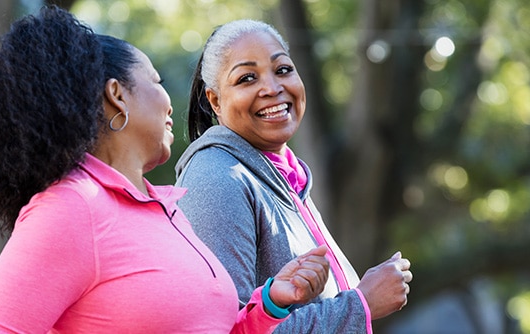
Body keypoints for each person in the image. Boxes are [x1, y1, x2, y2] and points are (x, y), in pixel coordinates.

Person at [0, 7, 331, 333]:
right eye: (155, 81)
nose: (170, 103)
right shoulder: (71, 208)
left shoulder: (164, 210)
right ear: (117, 95)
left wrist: (270, 304)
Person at [175, 19, 413, 333]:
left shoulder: (284, 177)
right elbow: (226, 328)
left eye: (283, 69)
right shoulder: (217, 177)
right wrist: (361, 303)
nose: (273, 88)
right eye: (247, 78)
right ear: (215, 100)